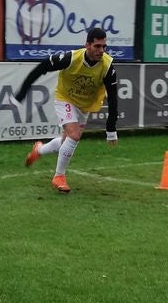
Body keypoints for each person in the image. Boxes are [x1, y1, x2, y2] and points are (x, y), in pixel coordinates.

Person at [14, 26, 118, 193]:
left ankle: (38, 150)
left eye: (104, 46)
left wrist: (111, 128)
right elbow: (42, 67)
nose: (101, 50)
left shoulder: (108, 66)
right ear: (87, 45)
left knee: (65, 142)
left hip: (84, 106)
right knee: (74, 135)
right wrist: (22, 92)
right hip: (65, 99)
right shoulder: (70, 58)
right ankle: (59, 176)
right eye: (97, 46)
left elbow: (113, 97)